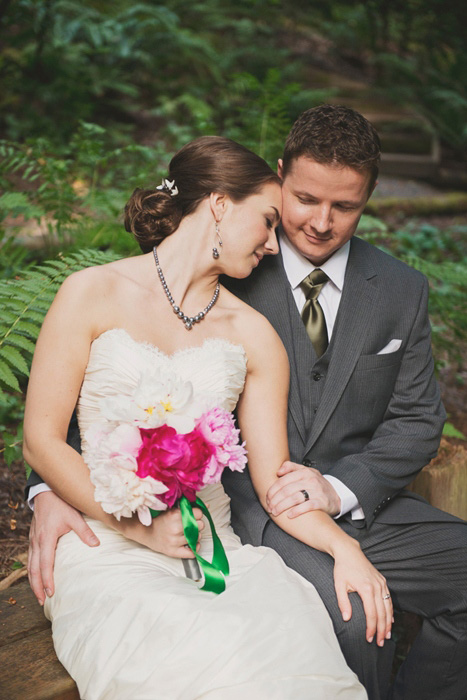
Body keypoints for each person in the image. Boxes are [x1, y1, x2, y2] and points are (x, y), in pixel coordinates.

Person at [26, 106, 467, 700]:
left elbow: (417, 421)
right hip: (225, 516)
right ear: (275, 180)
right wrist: (46, 491)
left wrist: (338, 494)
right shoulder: (225, 262)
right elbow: (90, 402)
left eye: (345, 206)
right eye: (303, 200)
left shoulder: (398, 289)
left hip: (348, 504)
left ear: (369, 199)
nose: (317, 222)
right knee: (350, 621)